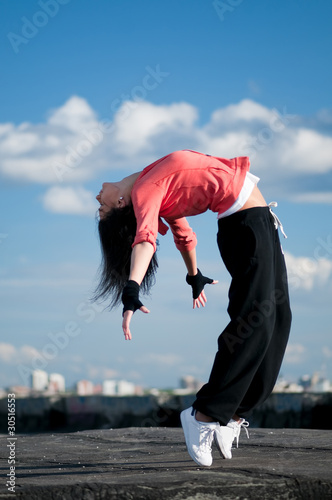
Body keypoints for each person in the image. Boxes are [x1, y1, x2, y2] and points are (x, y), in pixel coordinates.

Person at [94, 149, 292, 467]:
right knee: (254, 320)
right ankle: (204, 415)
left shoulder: (152, 181)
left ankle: (233, 415)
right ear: (120, 204)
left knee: (279, 321)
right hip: (244, 225)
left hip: (261, 221)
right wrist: (131, 290)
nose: (96, 198)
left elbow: (183, 235)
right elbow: (145, 240)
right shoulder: (145, 191)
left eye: (98, 205)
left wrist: (194, 275)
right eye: (101, 206)